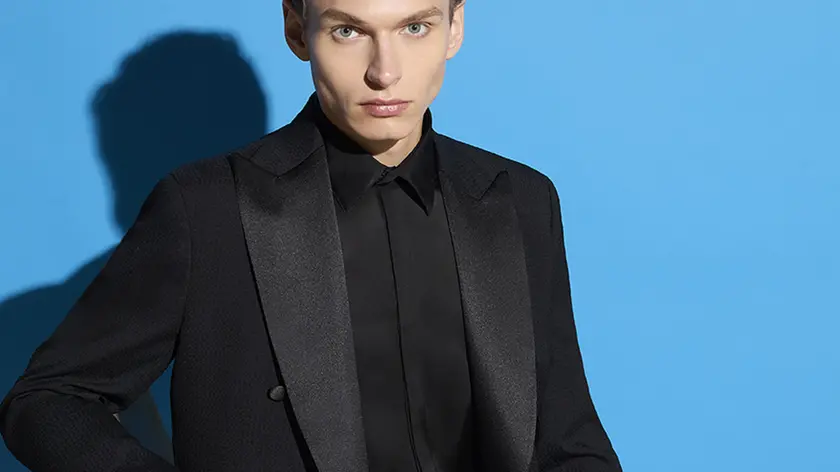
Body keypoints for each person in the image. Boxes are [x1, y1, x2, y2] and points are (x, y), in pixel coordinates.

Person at [0, 0, 623, 470]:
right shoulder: (205, 208)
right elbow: (46, 401)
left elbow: (566, 435)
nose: (385, 72)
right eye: (348, 31)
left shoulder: (518, 197)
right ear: (299, 31)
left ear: (455, 28)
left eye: (415, 27)